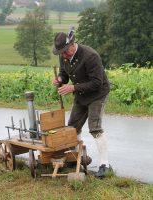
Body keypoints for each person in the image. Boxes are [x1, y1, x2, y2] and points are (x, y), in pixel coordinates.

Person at [52, 30, 113, 178]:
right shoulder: (64, 56)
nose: (63, 55)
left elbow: (97, 83)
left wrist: (72, 87)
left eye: (65, 52)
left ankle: (104, 165)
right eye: (60, 53)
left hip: (97, 95)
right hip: (81, 95)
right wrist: (60, 79)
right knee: (73, 127)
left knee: (95, 128)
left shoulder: (90, 56)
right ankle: (75, 158)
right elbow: (65, 74)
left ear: (72, 45)